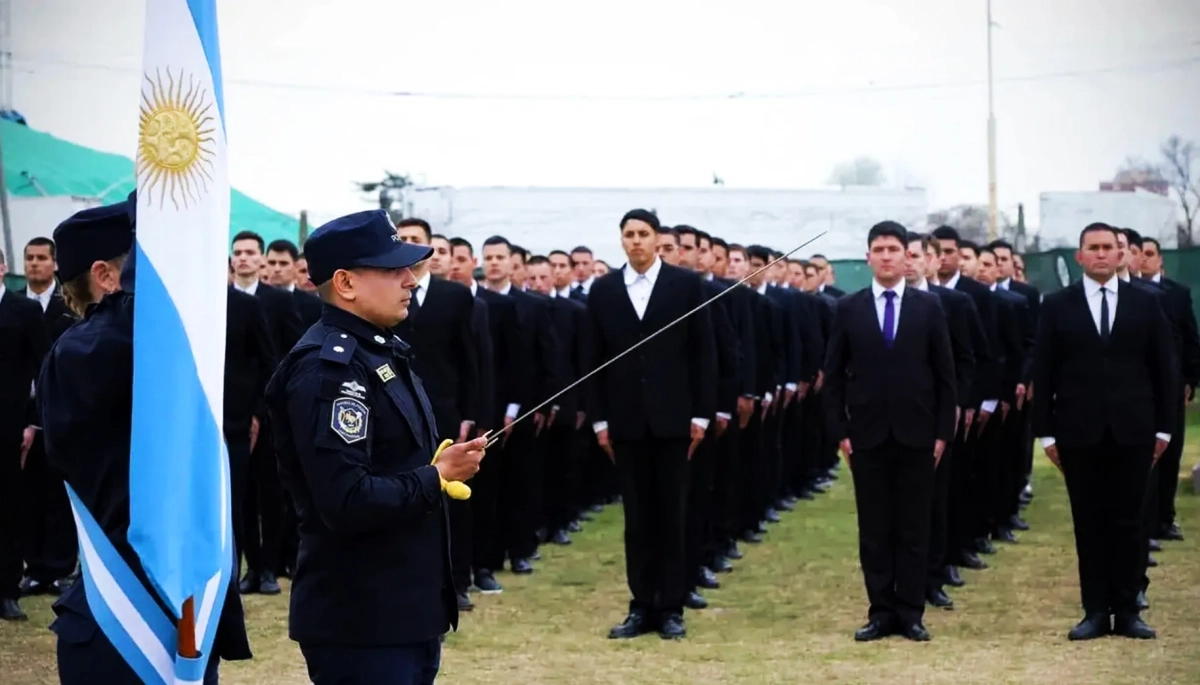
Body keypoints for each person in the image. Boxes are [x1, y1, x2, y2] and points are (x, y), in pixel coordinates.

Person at [265, 209, 488, 685]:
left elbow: (392, 461)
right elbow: (346, 500)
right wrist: (436, 477)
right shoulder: (330, 370)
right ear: (345, 283)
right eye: (392, 270)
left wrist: (435, 466)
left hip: (404, 610)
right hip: (361, 618)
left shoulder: (379, 350)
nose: (410, 280)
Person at [38, 199, 252, 683]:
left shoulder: (148, 343)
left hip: (184, 611)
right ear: (107, 276)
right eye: (151, 257)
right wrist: (163, 210)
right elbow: (137, 326)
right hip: (122, 618)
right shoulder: (84, 351)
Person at [1031, 223, 1174, 641]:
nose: (1099, 254)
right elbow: (1044, 370)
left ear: (1120, 254)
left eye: (1107, 247)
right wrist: (1046, 434)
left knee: (1130, 523)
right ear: (1079, 256)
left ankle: (1128, 610)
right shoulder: (1057, 306)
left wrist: (1164, 429)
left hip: (1135, 432)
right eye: (1091, 248)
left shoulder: (1147, 304)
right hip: (1078, 433)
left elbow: (1164, 370)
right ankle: (1095, 610)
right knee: (1089, 523)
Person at [586, 209, 716, 640]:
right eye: (629, 235)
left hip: (674, 421)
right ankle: (641, 605)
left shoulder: (685, 285)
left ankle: (671, 607)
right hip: (625, 422)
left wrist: (700, 414)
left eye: (644, 234)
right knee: (637, 519)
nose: (636, 241)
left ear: (657, 239)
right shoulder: (604, 291)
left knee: (672, 516)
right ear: (621, 240)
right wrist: (600, 419)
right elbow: (592, 361)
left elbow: (703, 353)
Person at [823, 221, 956, 642]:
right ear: (868, 257)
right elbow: (834, 376)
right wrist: (841, 431)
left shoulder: (928, 307)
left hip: (918, 434)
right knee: (876, 529)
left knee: (914, 528)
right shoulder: (848, 308)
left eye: (893, 249)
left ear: (905, 256)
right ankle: (880, 611)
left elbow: (944, 374)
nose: (886, 256)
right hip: (866, 436)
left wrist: (942, 432)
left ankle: (911, 612)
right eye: (878, 249)